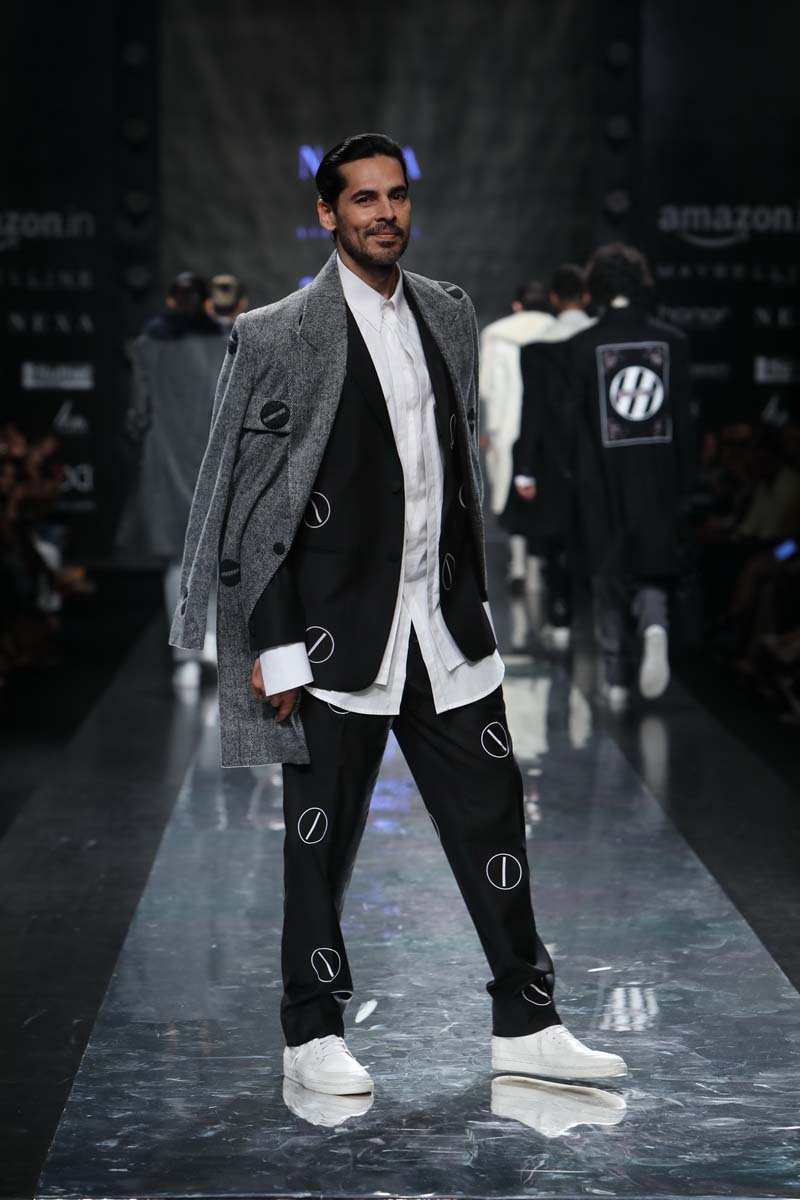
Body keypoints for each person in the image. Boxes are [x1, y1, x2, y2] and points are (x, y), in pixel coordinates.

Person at [171, 133, 626, 1096]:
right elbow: (250, 502)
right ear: (327, 214)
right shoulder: (277, 333)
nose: (385, 214)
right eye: (364, 199)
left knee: (495, 823)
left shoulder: (448, 313)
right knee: (318, 843)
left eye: (397, 196)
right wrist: (273, 642)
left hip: (444, 623)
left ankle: (528, 1021)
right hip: (334, 633)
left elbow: (450, 466)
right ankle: (312, 1031)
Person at [564, 244, 694, 710]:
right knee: (653, 564)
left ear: (596, 286)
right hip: (657, 475)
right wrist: (684, 480)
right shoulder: (672, 342)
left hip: (601, 480)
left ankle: (616, 678)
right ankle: (655, 626)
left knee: (608, 575)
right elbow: (685, 422)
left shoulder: (582, 346)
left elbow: (572, 425)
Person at [117, 271, 225, 684]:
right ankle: (209, 642)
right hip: (212, 462)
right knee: (212, 556)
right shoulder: (225, 345)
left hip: (166, 465)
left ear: (170, 300)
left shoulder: (148, 348)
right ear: (206, 301)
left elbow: (138, 416)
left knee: (177, 560)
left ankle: (185, 658)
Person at [507, 264, 595, 648]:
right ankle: (596, 617)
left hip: (553, 459)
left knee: (557, 539)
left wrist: (524, 469)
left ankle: (561, 618)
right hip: (597, 459)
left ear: (555, 300)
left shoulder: (538, 351)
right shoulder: (602, 343)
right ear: (586, 297)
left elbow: (532, 413)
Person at [480, 281, 555, 593]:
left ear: (516, 305)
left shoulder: (496, 335)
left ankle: (519, 565)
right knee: (547, 490)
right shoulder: (557, 331)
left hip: (506, 425)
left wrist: (487, 430)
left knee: (511, 492)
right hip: (550, 427)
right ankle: (541, 565)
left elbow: (486, 388)